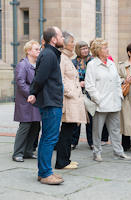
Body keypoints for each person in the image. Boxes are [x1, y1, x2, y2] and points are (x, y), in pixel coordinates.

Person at [28, 26, 64, 185]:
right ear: (54, 39)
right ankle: (45, 173)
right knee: (50, 138)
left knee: (48, 138)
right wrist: (33, 92)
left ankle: (44, 172)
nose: (63, 38)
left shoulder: (50, 53)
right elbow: (40, 77)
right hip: (50, 102)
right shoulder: (49, 54)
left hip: (51, 100)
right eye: (61, 36)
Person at [85, 39, 131, 162]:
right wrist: (98, 99)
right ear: (98, 50)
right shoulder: (92, 65)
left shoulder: (111, 63)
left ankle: (118, 152)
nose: (107, 50)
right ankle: (97, 152)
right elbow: (89, 85)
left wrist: (120, 94)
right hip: (101, 103)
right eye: (105, 48)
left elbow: (116, 81)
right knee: (97, 130)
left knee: (115, 129)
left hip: (114, 101)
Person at [55, 32, 87, 169]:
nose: (74, 44)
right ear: (65, 43)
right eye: (72, 41)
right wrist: (70, 93)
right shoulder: (62, 58)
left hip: (73, 100)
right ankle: (61, 162)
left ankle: (66, 160)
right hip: (69, 101)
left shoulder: (67, 58)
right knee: (66, 132)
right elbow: (60, 79)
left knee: (70, 131)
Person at [12, 40, 41, 162]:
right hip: (26, 101)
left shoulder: (38, 64)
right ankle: (17, 153)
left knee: (35, 126)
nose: (39, 51)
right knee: (25, 126)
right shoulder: (23, 65)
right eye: (36, 49)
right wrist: (31, 94)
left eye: (39, 49)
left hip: (36, 100)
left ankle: (28, 151)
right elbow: (20, 82)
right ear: (28, 51)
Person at [71, 41, 94, 150]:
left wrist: (87, 82)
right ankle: (73, 142)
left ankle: (92, 142)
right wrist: (78, 83)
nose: (85, 50)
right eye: (82, 48)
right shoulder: (73, 62)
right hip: (77, 93)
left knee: (91, 119)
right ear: (78, 50)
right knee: (77, 119)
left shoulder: (93, 61)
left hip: (90, 93)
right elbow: (70, 77)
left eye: (86, 48)